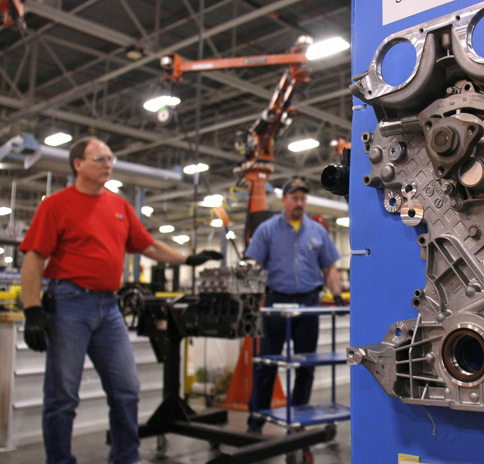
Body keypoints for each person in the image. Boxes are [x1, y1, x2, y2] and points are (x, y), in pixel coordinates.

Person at [19, 137, 222, 464]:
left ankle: (126, 458)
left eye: (110, 158)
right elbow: (33, 258)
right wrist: (32, 310)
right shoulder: (55, 205)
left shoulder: (119, 206)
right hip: (70, 305)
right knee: (62, 397)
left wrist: (188, 259)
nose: (108, 164)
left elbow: (148, 245)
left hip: (109, 308)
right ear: (78, 164)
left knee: (126, 389)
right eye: (99, 159)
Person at [245, 178, 343, 432]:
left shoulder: (317, 231)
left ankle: (298, 418)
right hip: (276, 304)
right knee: (267, 364)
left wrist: (338, 295)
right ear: (284, 200)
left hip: (309, 304)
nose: (299, 203)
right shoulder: (267, 230)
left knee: (305, 365)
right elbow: (253, 266)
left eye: (302, 199)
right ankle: (256, 420)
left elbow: (329, 267)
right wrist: (249, 296)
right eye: (294, 198)